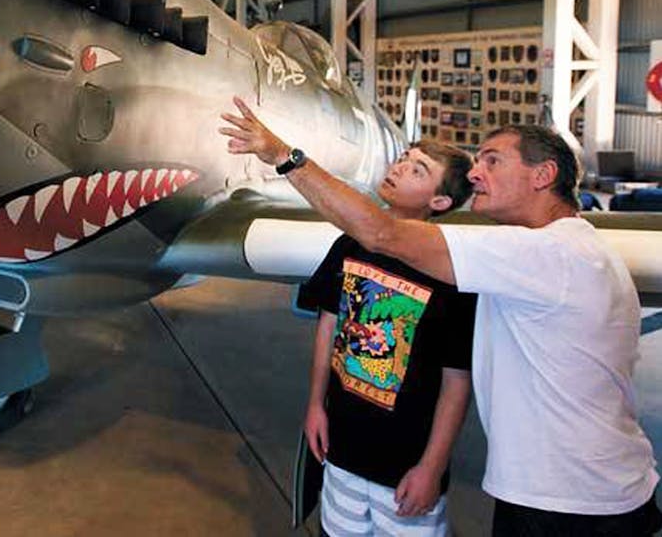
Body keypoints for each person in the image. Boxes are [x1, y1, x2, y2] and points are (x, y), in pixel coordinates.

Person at [222, 98, 661, 537]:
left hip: (574, 506)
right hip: (573, 493)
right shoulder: (551, 250)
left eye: (492, 161)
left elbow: (381, 233)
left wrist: (283, 155)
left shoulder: (549, 252)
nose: (475, 173)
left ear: (543, 176)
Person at [297, 140, 477, 537]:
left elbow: (457, 379)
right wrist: (315, 405)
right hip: (342, 449)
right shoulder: (348, 245)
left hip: (404, 464)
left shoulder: (453, 273)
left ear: (442, 202)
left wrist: (432, 466)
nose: (399, 168)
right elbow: (328, 324)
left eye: (419, 170)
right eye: (403, 160)